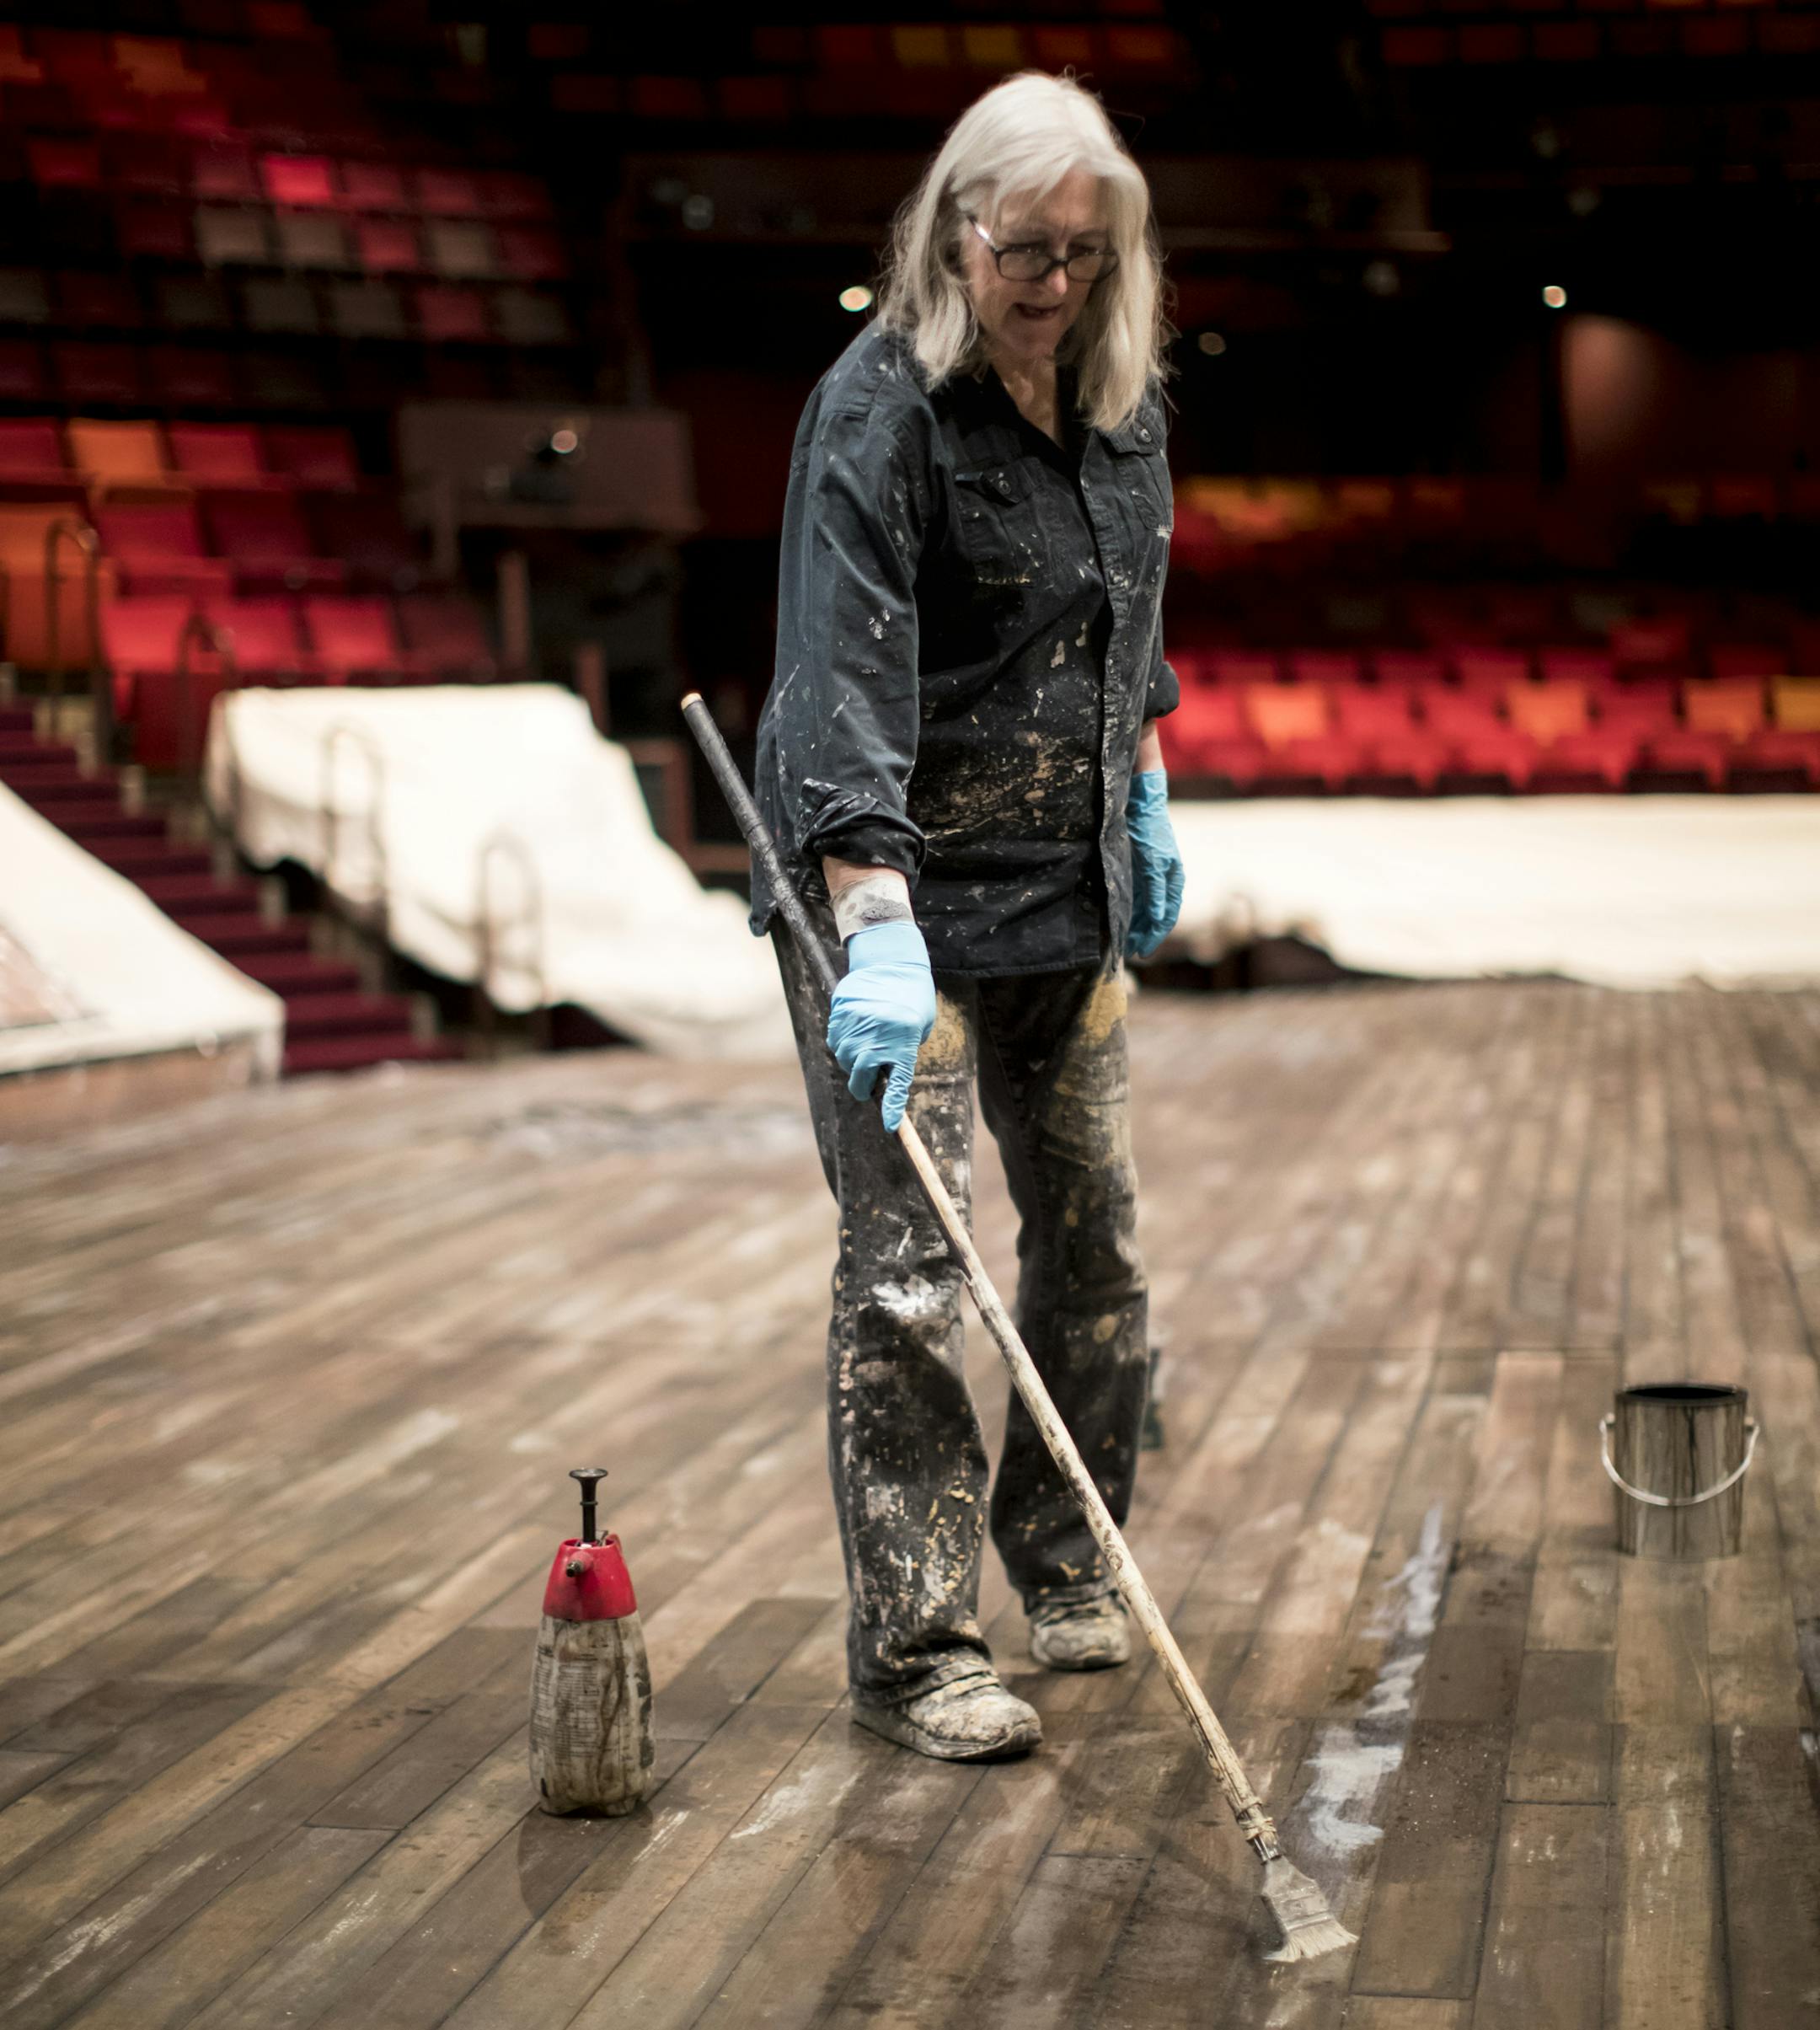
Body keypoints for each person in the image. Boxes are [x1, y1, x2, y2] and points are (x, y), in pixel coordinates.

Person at [749, 69, 1186, 1761]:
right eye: (1027, 249)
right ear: (955, 231)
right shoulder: (881, 410)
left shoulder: (1125, 403)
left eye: (1088, 252)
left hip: (1063, 894)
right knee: (913, 1277)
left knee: (1095, 1251)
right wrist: (867, 914)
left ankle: (1071, 1560)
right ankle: (921, 1644)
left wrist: (1140, 782)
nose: (1057, 284)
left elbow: (1125, 615)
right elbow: (840, 683)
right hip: (896, 909)